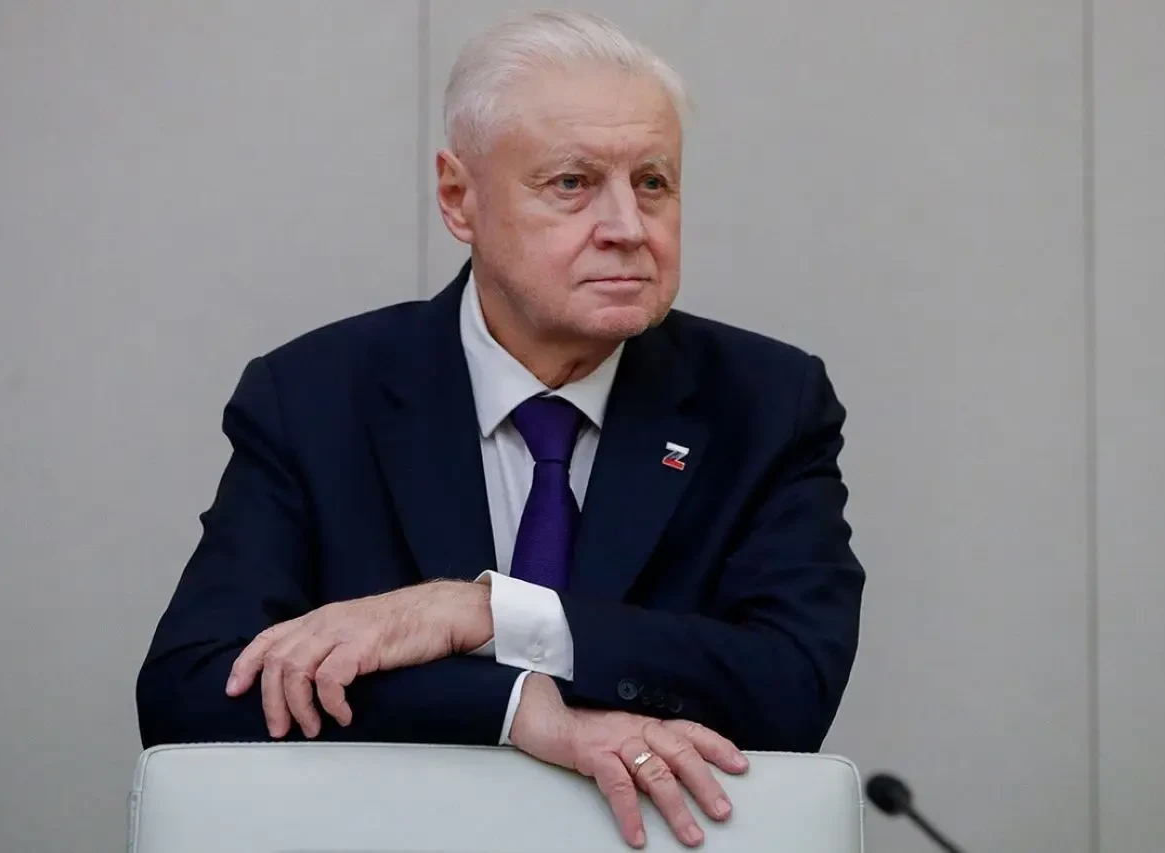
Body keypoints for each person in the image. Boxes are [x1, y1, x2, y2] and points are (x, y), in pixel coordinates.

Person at [136, 9, 863, 849]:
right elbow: (194, 690)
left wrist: (483, 614)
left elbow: (791, 685)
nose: (628, 226)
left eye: (653, 182)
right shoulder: (316, 396)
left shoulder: (765, 402)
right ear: (459, 197)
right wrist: (513, 707)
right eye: (572, 183)